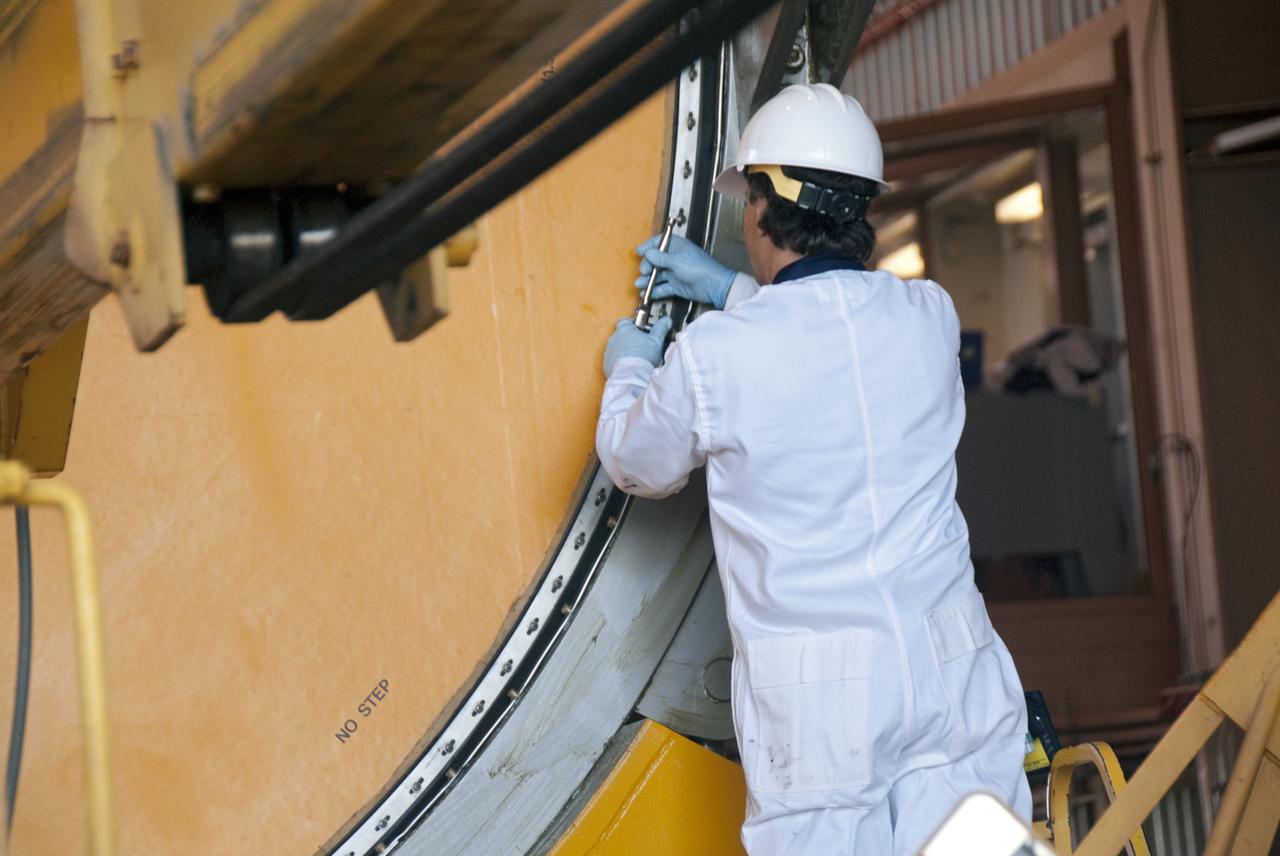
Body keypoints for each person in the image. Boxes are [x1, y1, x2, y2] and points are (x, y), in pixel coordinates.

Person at [595, 83, 1031, 855]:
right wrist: (731, 290)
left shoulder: (718, 359)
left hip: (825, 696)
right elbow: (830, 340)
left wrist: (631, 370)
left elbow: (639, 462)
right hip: (947, 662)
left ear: (761, 210)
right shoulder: (927, 314)